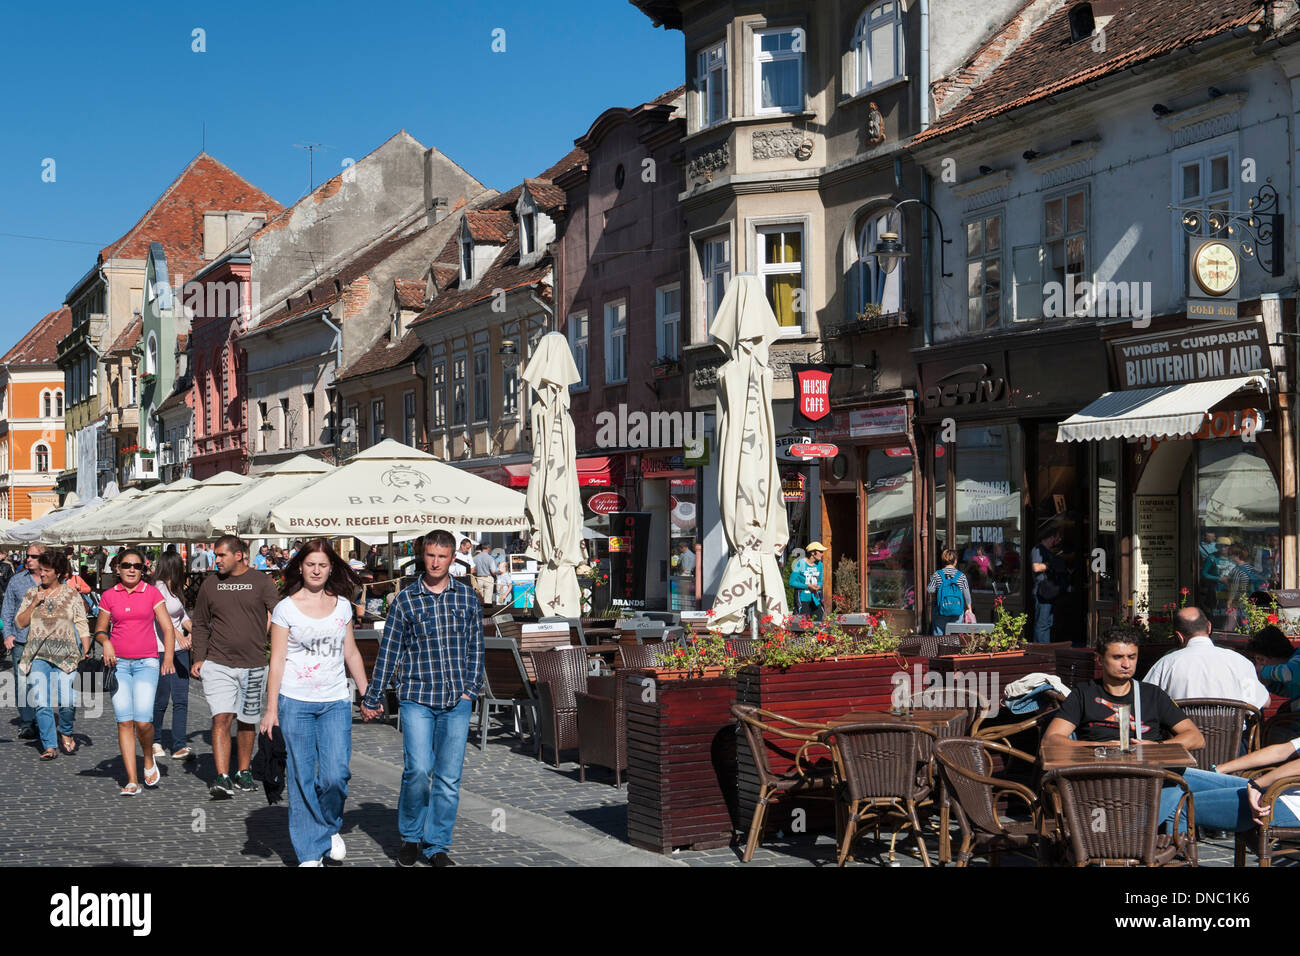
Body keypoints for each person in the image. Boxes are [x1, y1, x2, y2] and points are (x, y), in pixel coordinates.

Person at [361, 529, 483, 867]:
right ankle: (411, 837)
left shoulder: (467, 597)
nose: (435, 562)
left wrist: (470, 688)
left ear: (453, 558)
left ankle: (437, 845)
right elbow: (389, 652)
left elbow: (476, 646)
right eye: (430, 555)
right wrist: (373, 696)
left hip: (457, 698)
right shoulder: (406, 599)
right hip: (416, 695)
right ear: (423, 555)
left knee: (448, 777)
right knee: (418, 769)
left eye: (442, 557)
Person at [261, 539, 370, 867]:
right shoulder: (285, 609)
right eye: (311, 564)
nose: (317, 570)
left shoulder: (343, 606)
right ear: (300, 567)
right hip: (295, 701)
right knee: (301, 776)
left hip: (335, 700)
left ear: (331, 568)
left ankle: (328, 826)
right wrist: (271, 710)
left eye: (323, 565)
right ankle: (309, 852)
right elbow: (277, 660)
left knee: (336, 775)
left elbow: (350, 651)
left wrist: (368, 693)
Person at [190, 535, 281, 799]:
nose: (215, 560)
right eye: (215, 555)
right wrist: (199, 657)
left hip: (254, 665)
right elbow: (200, 623)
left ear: (239, 555)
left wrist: (268, 639)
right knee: (222, 717)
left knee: (247, 720)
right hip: (218, 664)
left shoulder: (262, 581)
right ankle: (222, 776)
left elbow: (279, 614)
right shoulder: (210, 585)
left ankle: (243, 771)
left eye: (221, 555)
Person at [95, 547, 176, 795]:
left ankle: (148, 756)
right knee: (124, 722)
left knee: (143, 721)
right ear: (118, 569)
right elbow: (99, 629)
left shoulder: (151, 593)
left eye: (137, 566)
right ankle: (132, 779)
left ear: (143, 569)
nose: (132, 570)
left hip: (147, 663)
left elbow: (168, 628)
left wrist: (169, 658)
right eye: (127, 566)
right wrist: (105, 641)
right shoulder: (109, 595)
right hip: (117, 664)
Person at [1044, 625, 1204, 748]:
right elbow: (1051, 739)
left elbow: (1196, 738)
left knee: (1227, 787)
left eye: (1131, 657)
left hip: (1153, 778)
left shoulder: (1152, 694)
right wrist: (1099, 747)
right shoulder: (1084, 693)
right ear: (1099, 659)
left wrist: (1158, 747)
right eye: (1118, 657)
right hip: (1098, 779)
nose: (1126, 664)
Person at [15, 549, 90, 759]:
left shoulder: (71, 594)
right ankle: (49, 745)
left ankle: (65, 730)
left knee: (67, 700)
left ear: (57, 572)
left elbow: (82, 623)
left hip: (66, 655)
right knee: (42, 701)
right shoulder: (32, 593)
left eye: (46, 571)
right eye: (40, 570)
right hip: (38, 655)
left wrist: (86, 648)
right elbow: (19, 623)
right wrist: (33, 604)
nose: (42, 574)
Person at [1164, 737, 1300, 835]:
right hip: (1276, 790)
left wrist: (1256, 784)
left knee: (1178, 809)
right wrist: (1222, 769)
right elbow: (1282, 751)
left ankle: (1171, 857)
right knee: (1178, 775)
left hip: (1290, 805)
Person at [1143, 607, 1270, 710]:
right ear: (1209, 627)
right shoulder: (1239, 661)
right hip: (1232, 740)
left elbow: (1144, 700)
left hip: (1182, 740)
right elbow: (1263, 702)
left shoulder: (1167, 663)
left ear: (1179, 636)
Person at [150, 552, 196, 760]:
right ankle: (155, 740)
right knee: (161, 699)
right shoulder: (157, 588)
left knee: (181, 699)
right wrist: (180, 636)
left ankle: (179, 744)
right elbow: (163, 619)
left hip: (179, 652)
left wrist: (193, 630)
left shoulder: (175, 590)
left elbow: (182, 616)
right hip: (160, 649)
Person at [3, 543, 45, 739]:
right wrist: (7, 634)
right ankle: (27, 722)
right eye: (27, 555)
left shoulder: (53, 581)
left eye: (34, 556)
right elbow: (8, 609)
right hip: (21, 640)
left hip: (46, 642)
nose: (28, 559)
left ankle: (41, 718)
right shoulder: (17, 581)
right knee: (22, 683)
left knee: (43, 682)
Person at [1030, 527, 1066, 643]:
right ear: (1051, 538)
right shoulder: (1037, 549)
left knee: (1047, 623)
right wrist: (1052, 564)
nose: (1057, 541)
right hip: (1042, 593)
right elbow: (1036, 567)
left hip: (1049, 593)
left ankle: (1045, 648)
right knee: (1042, 623)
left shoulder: (1048, 551)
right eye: (1057, 538)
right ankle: (1042, 650)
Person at [925, 549, 972, 637]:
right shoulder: (961, 576)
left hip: (940, 609)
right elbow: (967, 594)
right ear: (955, 561)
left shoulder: (937, 574)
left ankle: (940, 650)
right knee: (955, 637)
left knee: (939, 636)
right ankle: (953, 650)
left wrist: (939, 588)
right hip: (957, 611)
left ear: (944, 560)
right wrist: (969, 608)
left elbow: (930, 590)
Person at [789, 543, 825, 621]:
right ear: (812, 553)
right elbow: (792, 582)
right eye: (820, 551)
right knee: (803, 625)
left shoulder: (820, 565)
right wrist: (808, 586)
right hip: (802, 599)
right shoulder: (801, 563)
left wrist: (819, 586)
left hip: (816, 599)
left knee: (818, 622)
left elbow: (820, 581)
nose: (822, 554)